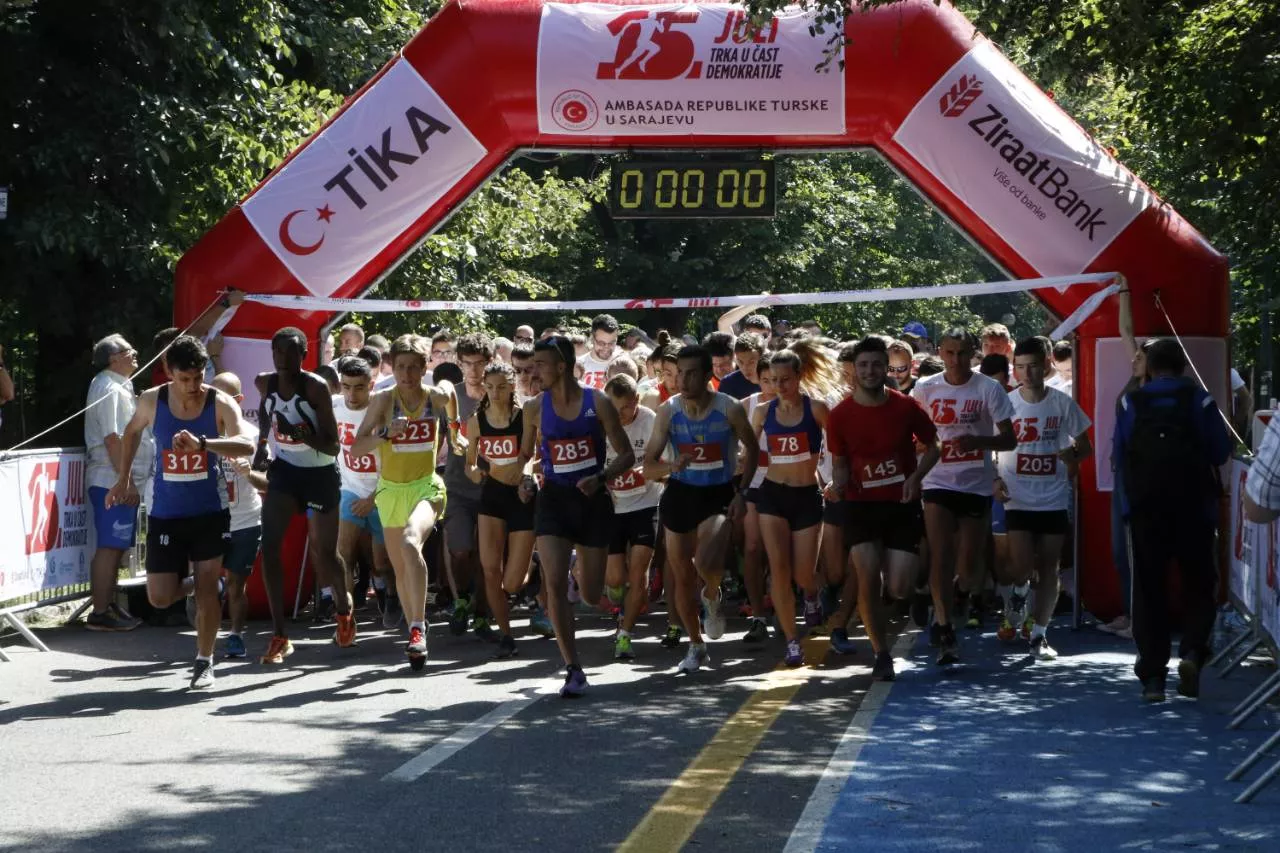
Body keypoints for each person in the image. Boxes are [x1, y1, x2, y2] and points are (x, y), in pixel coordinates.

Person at [107, 337, 253, 688]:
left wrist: (204, 444)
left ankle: (204, 661)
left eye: (198, 377)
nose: (192, 386)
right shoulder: (151, 400)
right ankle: (206, 584)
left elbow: (245, 445)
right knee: (159, 597)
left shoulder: (218, 401)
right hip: (167, 513)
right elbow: (131, 433)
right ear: (169, 372)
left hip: (209, 511)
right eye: (185, 378)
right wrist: (123, 480)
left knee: (205, 591)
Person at [1114, 337, 1230, 702]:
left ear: (1150, 368)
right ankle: (1193, 652)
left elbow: (1119, 454)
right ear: (1183, 366)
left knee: (1149, 590)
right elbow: (1220, 451)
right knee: (1200, 583)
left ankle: (1153, 678)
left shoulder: (1132, 401)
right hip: (1195, 508)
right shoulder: (1200, 400)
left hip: (1146, 509)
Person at [517, 336, 634, 696]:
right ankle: (573, 669)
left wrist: (601, 477)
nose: (534, 372)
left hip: (592, 501)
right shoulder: (534, 408)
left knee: (592, 595)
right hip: (554, 499)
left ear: (562, 366)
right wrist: (525, 478)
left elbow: (627, 455)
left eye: (540, 364)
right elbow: (525, 456)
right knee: (552, 584)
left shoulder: (596, 402)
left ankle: (576, 571)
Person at [828, 336, 940, 680]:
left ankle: (917, 592)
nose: (870, 371)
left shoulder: (905, 406)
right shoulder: (840, 415)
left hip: (900, 505)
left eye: (877, 364)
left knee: (898, 588)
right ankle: (881, 654)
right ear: (854, 370)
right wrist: (837, 485)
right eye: (863, 365)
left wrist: (916, 478)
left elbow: (934, 445)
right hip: (860, 506)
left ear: (885, 368)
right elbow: (840, 463)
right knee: (867, 577)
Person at [644, 345, 759, 674]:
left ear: (708, 375)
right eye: (680, 373)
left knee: (707, 563)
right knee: (681, 576)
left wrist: (742, 492)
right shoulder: (668, 411)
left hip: (717, 494)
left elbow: (753, 449)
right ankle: (696, 646)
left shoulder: (728, 407)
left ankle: (711, 593)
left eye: (692, 373)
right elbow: (648, 467)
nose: (683, 380)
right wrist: (671, 465)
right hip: (680, 494)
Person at [352, 334, 462, 670]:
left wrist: (456, 431)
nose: (407, 374)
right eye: (400, 367)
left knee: (411, 541)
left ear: (424, 366)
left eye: (414, 367)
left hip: (426, 487)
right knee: (400, 568)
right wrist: (386, 433)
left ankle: (416, 628)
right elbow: (357, 446)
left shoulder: (433, 395)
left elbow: (450, 391)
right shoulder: (384, 400)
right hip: (391, 492)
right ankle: (416, 624)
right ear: (393, 367)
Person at [912, 327, 1016, 665]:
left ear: (974, 353)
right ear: (940, 352)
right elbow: (912, 434)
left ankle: (956, 595)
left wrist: (979, 442)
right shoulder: (925, 388)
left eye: (962, 353)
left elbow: (1010, 439)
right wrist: (918, 456)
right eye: (949, 352)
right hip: (938, 481)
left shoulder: (988, 388)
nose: (955, 360)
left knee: (969, 568)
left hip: (975, 483)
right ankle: (945, 628)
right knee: (941, 555)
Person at [251, 327, 355, 664]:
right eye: (278, 351)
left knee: (325, 554)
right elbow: (266, 412)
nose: (283, 358)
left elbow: (333, 445)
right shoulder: (263, 382)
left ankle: (344, 610)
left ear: (304, 355)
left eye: (291, 352)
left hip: (320, 474)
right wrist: (262, 445)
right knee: (269, 548)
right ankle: (280, 636)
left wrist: (299, 433)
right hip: (286, 471)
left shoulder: (315, 387)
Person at [993, 338, 1092, 660]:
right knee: (1021, 566)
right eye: (1020, 367)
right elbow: (990, 448)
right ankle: (1019, 593)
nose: (1027, 373)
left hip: (1052, 497)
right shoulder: (1005, 404)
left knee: (1050, 568)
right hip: (1017, 496)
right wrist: (994, 479)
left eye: (1034, 366)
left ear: (1046, 364)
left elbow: (1085, 448)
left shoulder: (1063, 403)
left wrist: (1071, 456)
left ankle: (1039, 635)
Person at [751, 347, 832, 666]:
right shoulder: (762, 412)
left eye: (785, 379)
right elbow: (748, 450)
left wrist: (834, 480)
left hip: (806, 496)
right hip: (772, 495)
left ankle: (811, 595)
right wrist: (741, 489)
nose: (779, 386)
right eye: (773, 380)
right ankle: (791, 640)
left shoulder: (817, 409)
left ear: (799, 377)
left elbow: (838, 447)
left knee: (803, 575)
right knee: (779, 571)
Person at [467, 361, 536, 658]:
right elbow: (470, 463)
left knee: (513, 582)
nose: (495, 393)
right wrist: (475, 472)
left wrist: (526, 478)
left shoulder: (525, 416)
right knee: (490, 570)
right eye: (490, 387)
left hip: (521, 496)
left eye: (502, 387)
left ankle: (533, 565)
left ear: (512, 387)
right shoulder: (476, 421)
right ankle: (507, 634)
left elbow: (531, 455)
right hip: (492, 495)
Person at [83, 334, 152, 631]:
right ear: (113, 358)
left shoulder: (119, 384)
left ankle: (108, 605)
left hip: (119, 478)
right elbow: (113, 438)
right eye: (128, 350)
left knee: (117, 545)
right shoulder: (108, 387)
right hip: (111, 480)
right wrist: (125, 482)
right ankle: (100, 612)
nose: (135, 352)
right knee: (110, 546)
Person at [333, 356, 399, 629]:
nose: (351, 394)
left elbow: (395, 461)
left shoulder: (381, 410)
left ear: (370, 385)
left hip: (382, 491)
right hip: (349, 488)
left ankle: (392, 596)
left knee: (381, 563)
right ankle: (346, 617)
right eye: (346, 387)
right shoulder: (334, 406)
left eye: (359, 387)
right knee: (343, 554)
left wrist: (373, 498)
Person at [602, 375, 664, 660]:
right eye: (614, 409)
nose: (620, 415)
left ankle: (625, 634)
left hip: (646, 504)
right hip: (613, 507)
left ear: (637, 400)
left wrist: (651, 471)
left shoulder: (651, 420)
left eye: (626, 407)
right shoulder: (600, 423)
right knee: (615, 578)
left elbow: (667, 463)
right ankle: (617, 597)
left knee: (638, 572)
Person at [442, 333, 494, 639]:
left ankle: (482, 615)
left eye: (479, 363)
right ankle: (462, 598)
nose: (474, 370)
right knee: (461, 550)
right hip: (457, 486)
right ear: (459, 364)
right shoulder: (450, 397)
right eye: (467, 363)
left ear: (490, 362)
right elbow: (435, 441)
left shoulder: (500, 394)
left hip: (493, 487)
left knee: (487, 558)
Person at [210, 373, 264, 659]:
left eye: (224, 397)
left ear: (239, 400)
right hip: (209, 519)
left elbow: (269, 482)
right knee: (205, 583)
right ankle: (205, 641)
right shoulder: (200, 434)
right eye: (212, 396)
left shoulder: (253, 436)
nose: (216, 403)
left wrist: (249, 473)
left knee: (236, 584)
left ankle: (235, 635)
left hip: (245, 520)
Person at [739, 359, 776, 643]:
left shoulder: (803, 404)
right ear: (757, 380)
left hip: (787, 486)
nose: (773, 386)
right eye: (766, 380)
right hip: (753, 484)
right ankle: (758, 615)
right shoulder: (745, 406)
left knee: (778, 551)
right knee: (752, 548)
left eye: (778, 379)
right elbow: (735, 447)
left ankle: (794, 600)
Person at [577, 314, 623, 391]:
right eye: (601, 343)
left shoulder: (623, 365)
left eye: (611, 343)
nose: (606, 347)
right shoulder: (578, 365)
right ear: (592, 338)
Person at [717, 332, 764, 400]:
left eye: (751, 362)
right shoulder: (728, 384)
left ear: (762, 358)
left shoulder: (774, 380)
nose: (745, 368)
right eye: (740, 362)